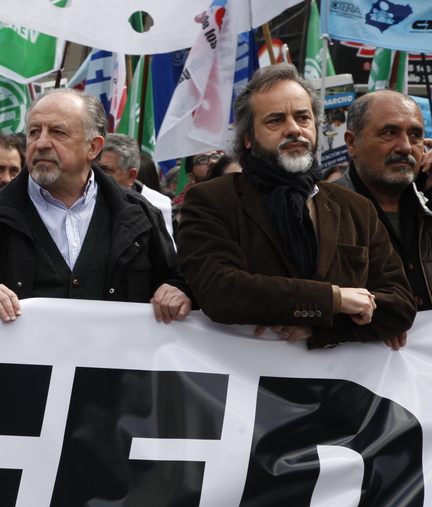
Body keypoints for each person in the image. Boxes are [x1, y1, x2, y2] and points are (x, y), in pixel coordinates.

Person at [177, 65, 415, 348]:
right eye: (276, 120)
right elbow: (220, 291)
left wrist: (320, 327)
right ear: (248, 138)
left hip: (341, 375)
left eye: (303, 118)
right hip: (247, 371)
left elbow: (400, 305)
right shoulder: (212, 200)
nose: (293, 129)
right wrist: (333, 299)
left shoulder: (356, 207)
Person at [0, 90, 191, 323]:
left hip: (116, 354)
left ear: (93, 147)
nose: (41, 143)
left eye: (58, 132)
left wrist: (177, 291)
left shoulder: (139, 214)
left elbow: (175, 280)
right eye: (34, 132)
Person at [331, 90, 432, 311]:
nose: (405, 147)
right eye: (389, 133)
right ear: (351, 143)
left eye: (415, 135)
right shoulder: (321, 210)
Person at [100, 132, 173, 240]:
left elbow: (164, 249)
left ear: (131, 176)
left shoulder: (157, 205)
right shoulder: (77, 199)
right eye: (92, 168)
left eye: (106, 170)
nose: (95, 175)